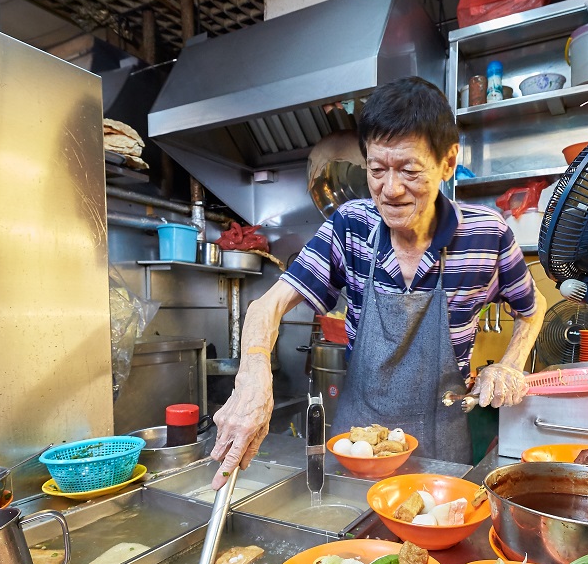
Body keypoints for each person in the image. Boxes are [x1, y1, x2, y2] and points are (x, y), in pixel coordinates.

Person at [210, 76, 545, 484]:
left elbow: (532, 308)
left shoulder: (487, 235)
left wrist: (509, 365)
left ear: (448, 161)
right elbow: (267, 305)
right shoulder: (350, 225)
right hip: (357, 444)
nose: (391, 189)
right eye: (377, 169)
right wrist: (252, 374)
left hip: (441, 448)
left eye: (409, 169)